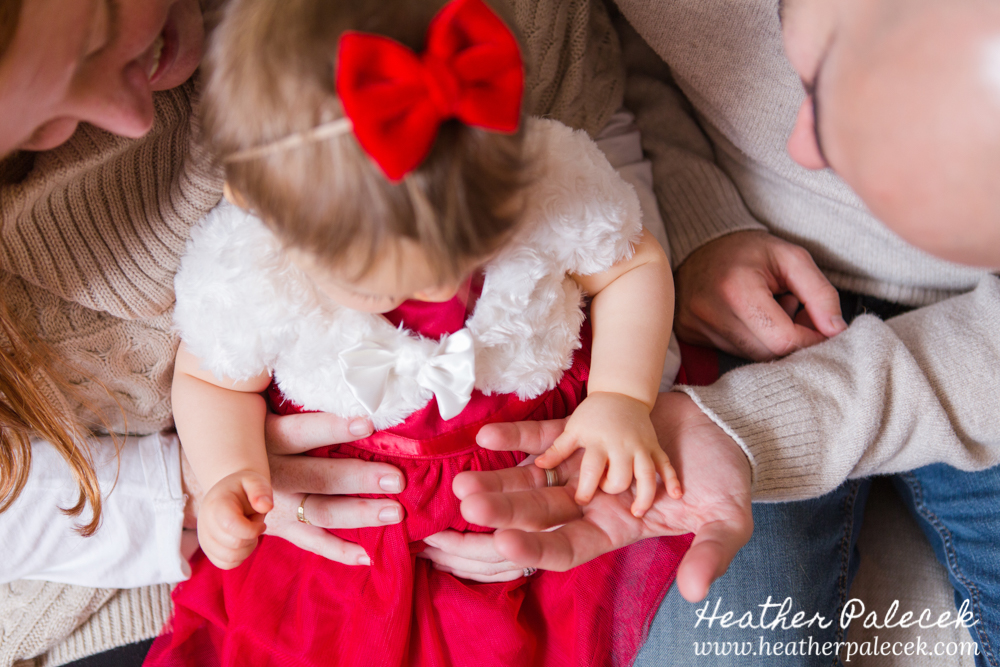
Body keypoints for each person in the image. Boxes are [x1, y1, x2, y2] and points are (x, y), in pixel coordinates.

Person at [0, 0, 665, 664]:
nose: (439, 292)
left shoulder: (537, 170)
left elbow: (629, 257)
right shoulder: (255, 268)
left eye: (471, 253)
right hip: (335, 551)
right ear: (266, 218)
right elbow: (210, 379)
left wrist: (622, 399)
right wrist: (227, 472)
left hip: (534, 473)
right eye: (388, 284)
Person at [447, 0, 1000, 664]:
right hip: (714, 268)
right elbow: (610, 47)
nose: (805, 152)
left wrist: (762, 424)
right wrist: (702, 218)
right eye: (813, 77)